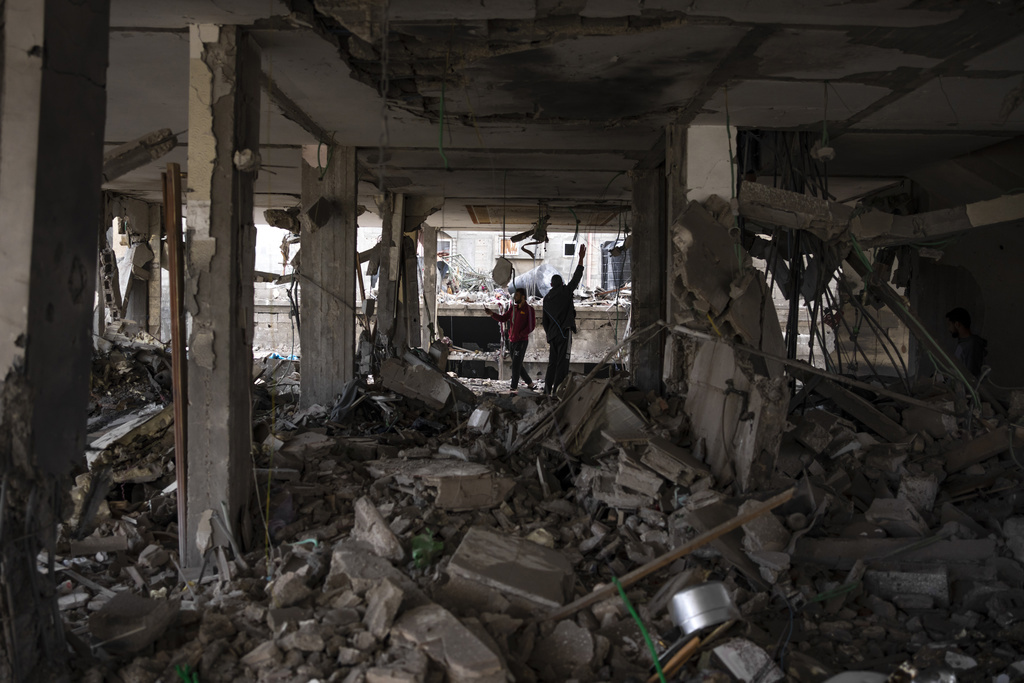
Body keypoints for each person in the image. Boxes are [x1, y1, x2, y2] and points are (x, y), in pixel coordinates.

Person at [542, 244, 586, 395]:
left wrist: (550, 334)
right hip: (564, 334)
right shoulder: (566, 291)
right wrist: (580, 258)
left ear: (550, 285)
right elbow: (576, 278)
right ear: (561, 283)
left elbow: (544, 322)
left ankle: (547, 391)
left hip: (553, 335)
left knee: (552, 363)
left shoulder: (546, 299)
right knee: (563, 364)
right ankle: (558, 392)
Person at [484, 288, 537, 393]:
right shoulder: (513, 308)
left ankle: (513, 387)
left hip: (521, 342)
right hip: (512, 341)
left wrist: (520, 334)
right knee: (517, 364)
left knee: (516, 365)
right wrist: (492, 314)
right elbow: (503, 318)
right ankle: (530, 383)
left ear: (523, 297)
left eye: (517, 295)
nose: (514, 297)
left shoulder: (529, 310)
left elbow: (531, 326)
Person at [946, 307, 988, 377]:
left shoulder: (972, 345)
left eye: (949, 325)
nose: (949, 329)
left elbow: (970, 376)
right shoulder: (965, 344)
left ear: (957, 324)